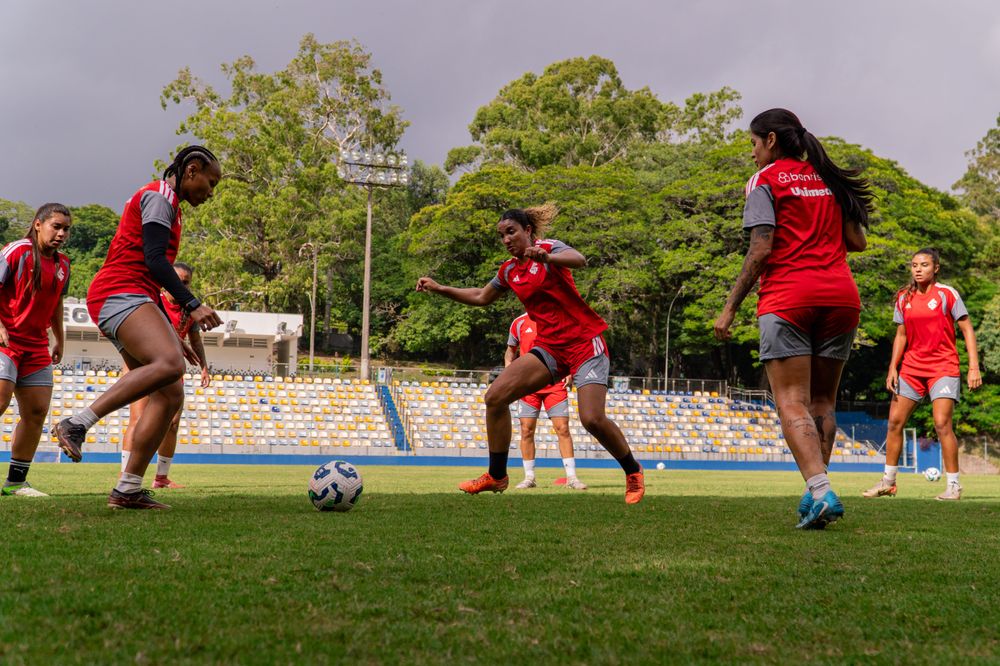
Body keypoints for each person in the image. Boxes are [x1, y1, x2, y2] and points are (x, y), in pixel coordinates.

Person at [416, 203, 645, 504]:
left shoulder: (549, 249)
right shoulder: (510, 270)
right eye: (502, 236)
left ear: (527, 231)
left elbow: (579, 259)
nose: (506, 240)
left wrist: (548, 257)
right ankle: (497, 476)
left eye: (511, 232)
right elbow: (482, 296)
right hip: (550, 348)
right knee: (494, 397)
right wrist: (440, 287)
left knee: (591, 419)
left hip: (584, 343)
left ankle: (633, 472)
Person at [714, 108, 872, 529]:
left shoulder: (765, 180)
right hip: (841, 298)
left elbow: (761, 247)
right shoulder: (828, 177)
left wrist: (730, 306)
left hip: (789, 297)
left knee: (792, 402)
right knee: (823, 403)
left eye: (752, 144)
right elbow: (857, 241)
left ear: (770, 140)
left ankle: (820, 492)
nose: (751, 154)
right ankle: (816, 492)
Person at [54, 146, 223, 510]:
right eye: (210, 183)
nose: (211, 194)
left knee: (170, 393)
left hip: (135, 294)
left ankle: (128, 489)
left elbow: (152, 274)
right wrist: (192, 305)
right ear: (191, 170)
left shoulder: (170, 205)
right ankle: (77, 424)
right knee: (168, 366)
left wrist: (172, 334)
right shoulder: (160, 197)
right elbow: (154, 261)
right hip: (119, 290)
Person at [863, 249, 981, 501]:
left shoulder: (947, 294)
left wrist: (973, 366)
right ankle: (888, 482)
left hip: (943, 368)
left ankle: (953, 486)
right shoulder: (903, 297)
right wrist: (893, 367)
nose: (918, 269)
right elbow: (901, 335)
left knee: (942, 424)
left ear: (935, 268)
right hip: (912, 369)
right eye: (914, 265)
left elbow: (967, 329)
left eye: (924, 265)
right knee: (894, 422)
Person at [0, 205, 72, 497]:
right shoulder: (16, 251)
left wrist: (60, 339)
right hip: (6, 341)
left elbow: (56, 303)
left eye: (66, 229)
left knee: (37, 411)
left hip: (36, 346)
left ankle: (15, 482)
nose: (62, 233)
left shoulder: (64, 265)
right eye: (56, 226)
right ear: (38, 224)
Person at [120, 262, 212, 489]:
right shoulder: (151, 302)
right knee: (138, 419)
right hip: (144, 364)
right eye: (177, 280)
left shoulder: (189, 308)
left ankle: (161, 478)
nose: (181, 285)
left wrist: (204, 366)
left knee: (172, 423)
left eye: (186, 282)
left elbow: (195, 340)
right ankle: (126, 476)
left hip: (172, 368)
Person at [506, 313, 587, 491]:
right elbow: (510, 352)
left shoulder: (556, 319)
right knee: (526, 430)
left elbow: (570, 348)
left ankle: (572, 478)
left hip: (554, 383)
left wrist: (571, 371)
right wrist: (509, 375)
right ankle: (529, 478)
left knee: (563, 429)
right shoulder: (519, 322)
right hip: (528, 385)